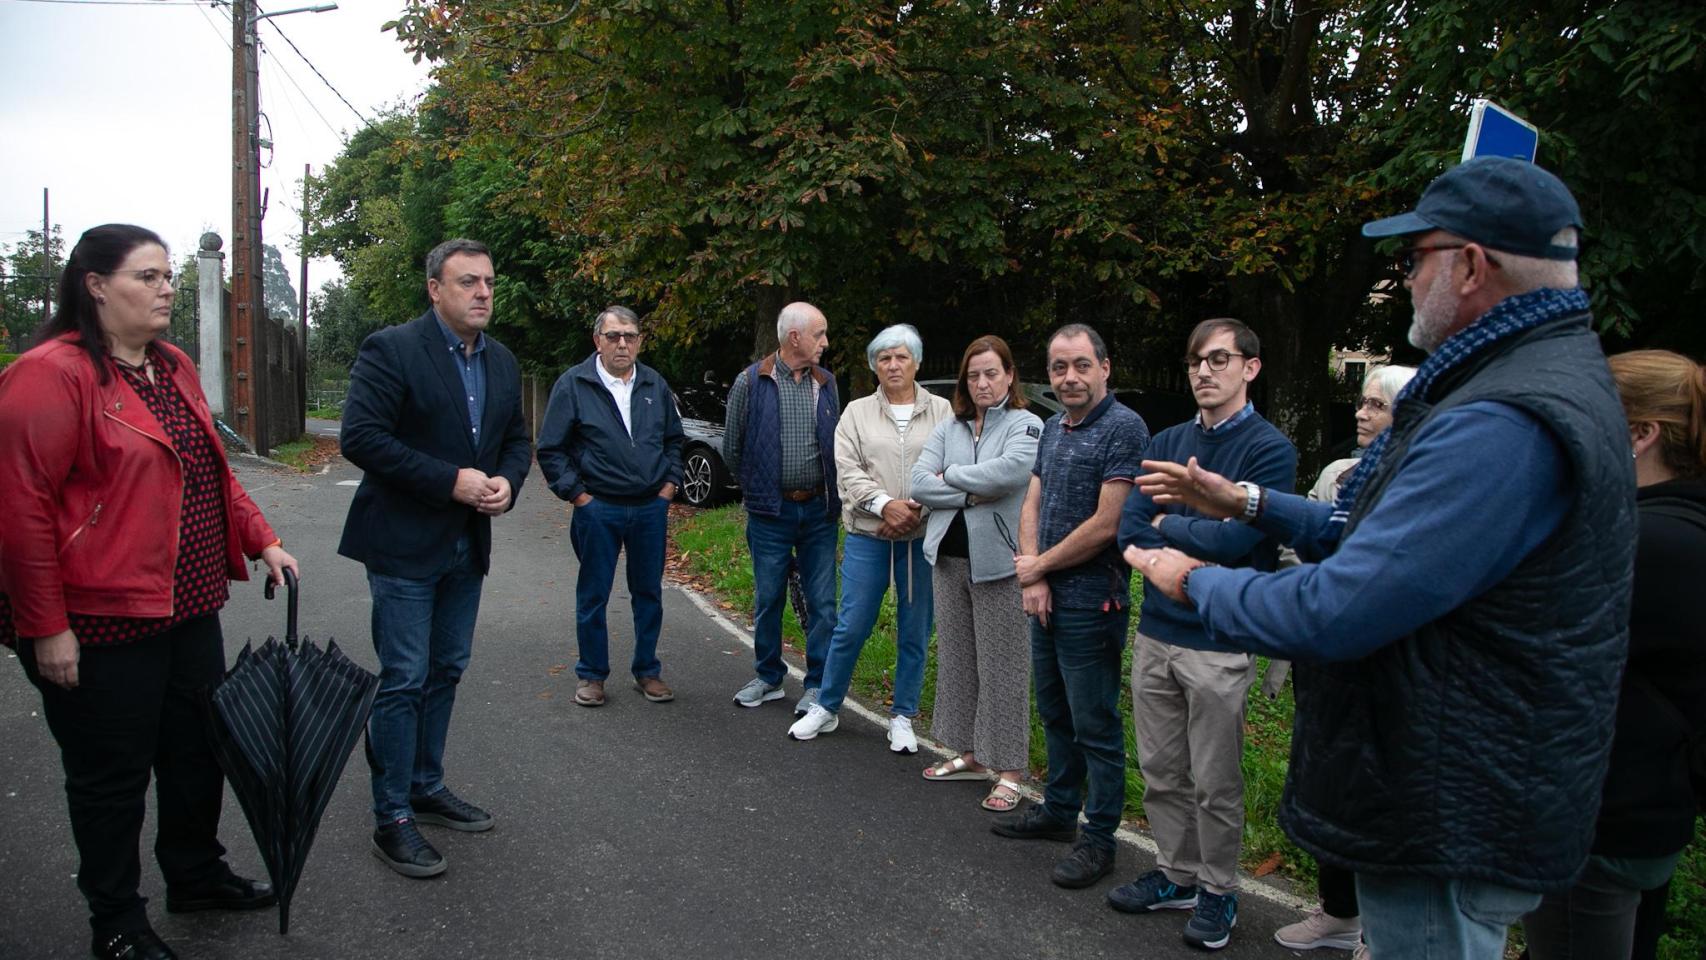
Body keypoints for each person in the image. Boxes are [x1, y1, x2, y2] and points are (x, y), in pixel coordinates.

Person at [1126, 157, 1637, 960]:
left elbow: (1338, 607)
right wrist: (1248, 502)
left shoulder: (1501, 418)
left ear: (1469, 265)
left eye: (1412, 259)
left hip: (1446, 802)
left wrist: (1191, 578)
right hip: (1452, 779)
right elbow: (1368, 527)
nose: (1402, 280)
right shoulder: (1522, 379)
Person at [0, 224, 297, 960]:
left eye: (168, 275)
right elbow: (21, 509)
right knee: (111, 778)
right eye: (147, 276)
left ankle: (194, 874)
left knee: (199, 753)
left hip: (190, 604)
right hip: (98, 619)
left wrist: (261, 536)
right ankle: (117, 923)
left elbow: (213, 470)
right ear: (95, 286)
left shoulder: (172, 365)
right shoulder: (49, 373)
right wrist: (46, 626)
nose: (166, 288)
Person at [338, 238, 532, 879]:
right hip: (401, 542)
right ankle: (391, 815)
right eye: (469, 281)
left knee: (446, 668)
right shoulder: (392, 349)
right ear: (434, 288)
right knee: (405, 676)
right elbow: (361, 438)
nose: (483, 293)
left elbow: (516, 441)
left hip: (465, 543)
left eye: (490, 282)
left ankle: (425, 783)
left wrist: (506, 481)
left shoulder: (501, 361)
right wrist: (449, 479)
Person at [1112, 318, 1297, 951]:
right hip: (1157, 633)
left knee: (1215, 780)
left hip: (1220, 638)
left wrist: (1172, 528)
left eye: (1219, 359)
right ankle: (1177, 874)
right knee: (1161, 768)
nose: (1203, 371)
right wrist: (1170, 538)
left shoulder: (1269, 450)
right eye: (1195, 360)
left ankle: (1220, 889)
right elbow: (1129, 529)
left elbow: (1246, 540)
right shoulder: (1166, 439)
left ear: (1251, 367)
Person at [1519, 349, 1706, 959]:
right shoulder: (1679, 524)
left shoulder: (1641, 541)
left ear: (1638, 434)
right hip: (1647, 809)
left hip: (1599, 819)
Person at [990, 323, 1151, 891]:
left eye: (1081, 365)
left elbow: (1109, 523)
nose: (1070, 377)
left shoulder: (1125, 428)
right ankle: (1059, 813)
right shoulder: (1055, 427)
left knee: (1095, 724)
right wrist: (1032, 570)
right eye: (1060, 367)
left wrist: (1041, 567)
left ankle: (1100, 838)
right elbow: (1033, 495)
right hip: (1048, 595)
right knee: (1055, 714)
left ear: (1105, 367)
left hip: (1092, 604)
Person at [1270, 362, 1414, 956]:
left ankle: (1383, 932)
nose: (1360, 412)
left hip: (1381, 662)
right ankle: (1338, 911)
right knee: (1325, 774)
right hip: (1320, 647)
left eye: (1376, 405)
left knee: (1375, 787)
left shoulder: (1417, 479)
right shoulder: (1335, 472)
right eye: (1361, 402)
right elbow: (1292, 547)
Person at [788, 325, 953, 751]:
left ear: (916, 361)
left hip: (920, 536)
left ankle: (903, 716)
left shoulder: (942, 412)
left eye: (901, 357)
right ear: (873, 366)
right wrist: (885, 506)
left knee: (915, 629)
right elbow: (848, 470)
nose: (893, 365)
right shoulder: (856, 413)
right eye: (884, 358)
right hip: (869, 533)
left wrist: (915, 509)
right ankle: (826, 706)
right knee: (852, 625)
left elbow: (950, 471)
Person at [910, 336, 1042, 810]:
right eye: (974, 375)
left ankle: (1009, 770)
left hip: (1000, 565)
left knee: (1003, 667)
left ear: (1009, 375)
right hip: (948, 559)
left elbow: (1010, 473)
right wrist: (965, 493)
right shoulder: (951, 426)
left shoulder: (1028, 425)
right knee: (959, 661)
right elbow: (919, 482)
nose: (983, 383)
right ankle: (971, 754)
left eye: (992, 373)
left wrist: (952, 477)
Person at [537, 306, 685, 707]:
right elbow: (551, 449)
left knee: (648, 593)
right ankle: (592, 675)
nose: (623, 344)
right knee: (594, 594)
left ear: (639, 341)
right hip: (597, 508)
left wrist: (670, 486)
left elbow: (675, 440)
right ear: (597, 340)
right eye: (614, 336)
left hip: (650, 508)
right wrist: (579, 496)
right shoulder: (574, 384)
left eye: (630, 336)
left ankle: (647, 671)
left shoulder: (654, 383)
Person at [723, 302, 841, 714]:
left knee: (823, 602)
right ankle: (769, 677)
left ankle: (817, 685)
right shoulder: (750, 382)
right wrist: (758, 490)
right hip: (769, 514)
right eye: (819, 334)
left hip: (818, 513)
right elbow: (732, 449)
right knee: (768, 597)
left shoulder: (826, 383)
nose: (825, 343)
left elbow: (835, 447)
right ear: (795, 337)